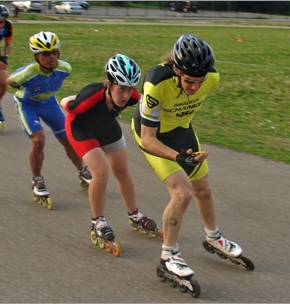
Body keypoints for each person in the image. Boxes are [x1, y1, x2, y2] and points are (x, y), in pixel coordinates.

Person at [131, 34, 244, 277]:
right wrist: (177, 157)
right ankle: (169, 254)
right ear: (175, 69)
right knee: (182, 193)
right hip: (153, 134)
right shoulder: (156, 83)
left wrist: (184, 152)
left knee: (203, 190)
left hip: (182, 130)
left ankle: (213, 237)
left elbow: (190, 98)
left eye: (199, 82)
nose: (195, 88)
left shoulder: (212, 79)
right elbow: (149, 137)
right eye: (189, 81)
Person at [60, 54, 160, 243]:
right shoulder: (90, 97)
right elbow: (67, 104)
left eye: (130, 89)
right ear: (108, 85)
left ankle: (134, 215)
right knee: (101, 172)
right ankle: (97, 222)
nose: (126, 95)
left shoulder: (133, 97)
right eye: (121, 89)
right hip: (81, 127)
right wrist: (72, 99)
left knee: (122, 170)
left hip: (105, 124)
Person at [6, 31, 92, 202]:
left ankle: (82, 171)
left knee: (67, 138)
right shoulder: (28, 72)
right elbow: (11, 81)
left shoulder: (65, 68)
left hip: (49, 103)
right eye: (46, 54)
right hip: (28, 105)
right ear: (36, 56)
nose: (51, 57)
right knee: (38, 140)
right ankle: (37, 180)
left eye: (54, 52)